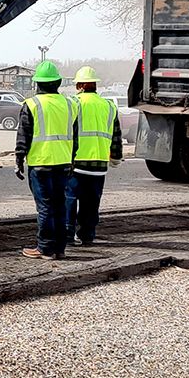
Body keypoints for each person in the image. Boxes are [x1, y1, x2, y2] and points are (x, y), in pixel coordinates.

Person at [14, 60, 78, 260]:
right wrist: (72, 159)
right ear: (58, 83)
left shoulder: (31, 104)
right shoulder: (70, 104)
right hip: (63, 163)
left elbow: (23, 136)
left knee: (45, 207)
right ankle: (59, 248)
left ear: (37, 84)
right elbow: (74, 137)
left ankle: (45, 248)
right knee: (60, 206)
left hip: (40, 164)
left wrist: (18, 161)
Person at [66, 66, 123, 246]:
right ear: (95, 85)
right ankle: (87, 235)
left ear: (80, 85)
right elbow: (116, 136)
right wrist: (115, 157)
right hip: (99, 165)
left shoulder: (74, 103)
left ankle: (68, 234)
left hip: (77, 162)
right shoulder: (109, 106)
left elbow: (69, 133)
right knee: (91, 202)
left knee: (70, 199)